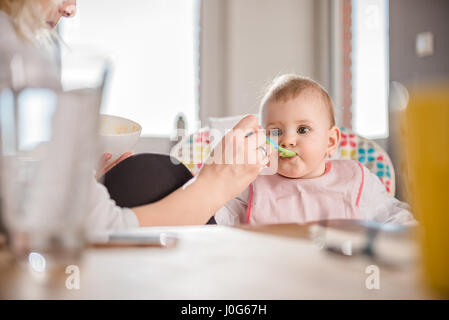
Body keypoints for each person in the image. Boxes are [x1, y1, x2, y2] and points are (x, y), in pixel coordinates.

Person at [0, 0, 269, 231]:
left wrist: (72, 188)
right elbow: (109, 231)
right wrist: (216, 184)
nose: (70, 9)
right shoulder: (13, 54)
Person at [215, 74, 416, 226]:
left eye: (303, 129)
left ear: (330, 141)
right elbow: (214, 220)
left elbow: (397, 220)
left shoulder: (356, 180)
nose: (287, 140)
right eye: (275, 132)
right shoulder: (252, 183)